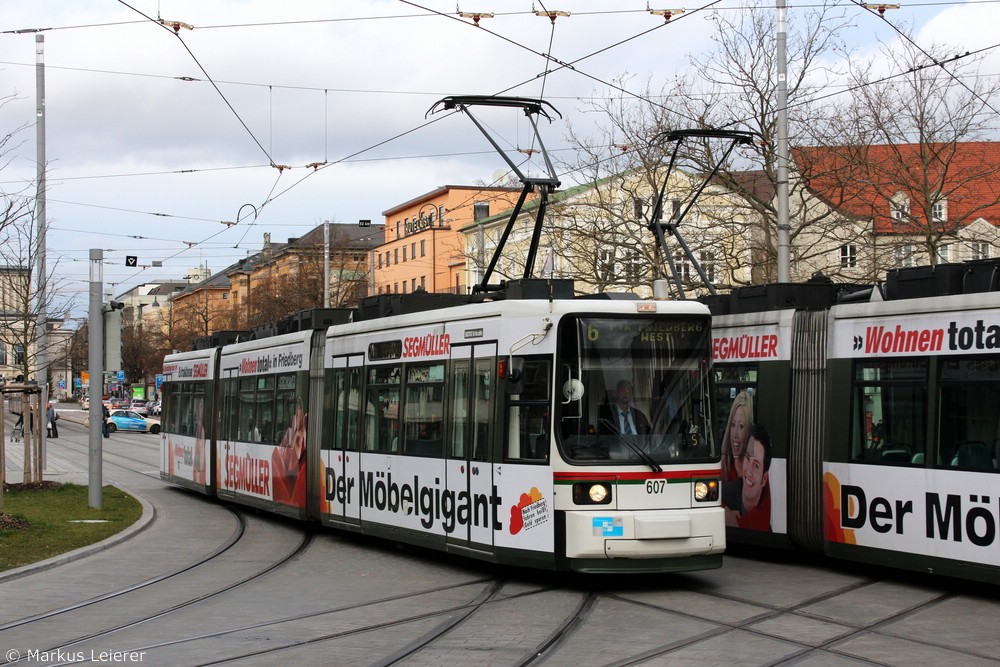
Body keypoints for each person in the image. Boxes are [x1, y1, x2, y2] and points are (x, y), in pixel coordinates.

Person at [723, 423, 772, 531]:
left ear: (764, 479)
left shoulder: (766, 526)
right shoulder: (723, 495)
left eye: (756, 465)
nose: (748, 471)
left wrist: (737, 522)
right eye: (747, 458)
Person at [720, 391, 753, 482]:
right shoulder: (722, 466)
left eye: (741, 426)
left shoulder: (756, 471)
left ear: (749, 430)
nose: (735, 435)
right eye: (733, 425)